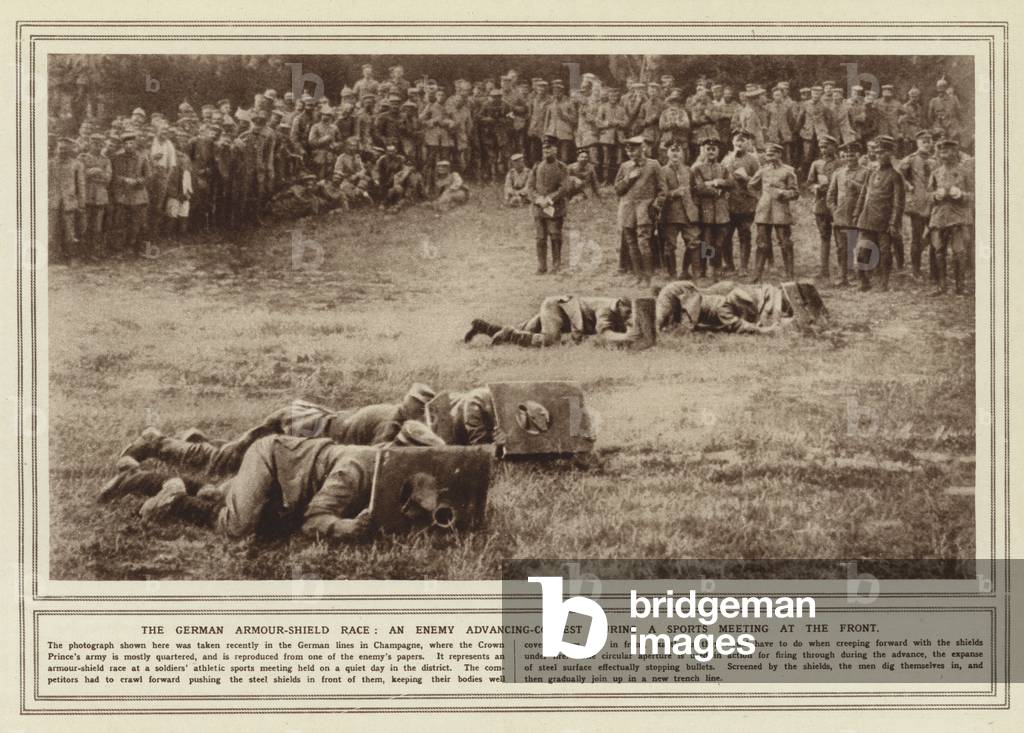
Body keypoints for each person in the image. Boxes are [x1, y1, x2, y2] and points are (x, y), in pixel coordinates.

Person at [103, 421, 445, 542]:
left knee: (220, 497)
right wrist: (344, 528)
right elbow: (314, 520)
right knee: (236, 526)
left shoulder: (388, 472)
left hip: (289, 476)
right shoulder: (355, 469)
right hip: (271, 459)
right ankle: (175, 501)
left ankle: (140, 479)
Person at [114, 383, 437, 479]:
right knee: (226, 465)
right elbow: (377, 461)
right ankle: (155, 442)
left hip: (306, 422)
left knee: (239, 451)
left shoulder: (393, 414)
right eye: (422, 414)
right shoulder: (392, 422)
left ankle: (198, 440)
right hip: (301, 429)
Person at [463, 295, 634, 348]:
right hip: (557, 307)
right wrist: (628, 337)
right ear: (620, 304)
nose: (628, 316)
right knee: (549, 339)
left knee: (527, 331)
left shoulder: (616, 309)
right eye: (627, 312)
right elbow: (605, 334)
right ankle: (511, 335)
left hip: (562, 308)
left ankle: (482, 327)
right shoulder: (606, 310)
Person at [851, 135, 906, 292]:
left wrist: (893, 222)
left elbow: (898, 203)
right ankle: (864, 282)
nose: (879, 155)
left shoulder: (895, 176)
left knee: (884, 252)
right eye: (877, 152)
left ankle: (884, 283)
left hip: (884, 220)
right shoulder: (872, 173)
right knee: (863, 250)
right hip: (867, 218)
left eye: (883, 152)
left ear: (890, 154)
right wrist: (857, 213)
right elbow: (863, 194)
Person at [614, 135, 668, 286]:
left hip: (645, 210)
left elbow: (663, 189)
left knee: (643, 242)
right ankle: (638, 276)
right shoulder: (625, 166)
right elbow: (617, 189)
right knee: (631, 243)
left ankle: (648, 277)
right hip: (628, 210)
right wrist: (628, 179)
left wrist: (656, 206)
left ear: (642, 148)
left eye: (634, 150)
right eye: (628, 151)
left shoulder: (653, 165)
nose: (630, 154)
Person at [927, 138, 973, 295]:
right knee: (939, 251)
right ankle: (941, 286)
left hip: (958, 217)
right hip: (939, 217)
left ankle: (960, 286)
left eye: (946, 151)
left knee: (959, 252)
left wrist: (961, 195)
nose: (943, 155)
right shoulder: (935, 173)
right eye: (941, 151)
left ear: (955, 152)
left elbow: (975, 195)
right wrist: (935, 196)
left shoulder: (965, 172)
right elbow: (927, 196)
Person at [749, 142, 800, 281]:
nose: (769, 157)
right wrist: (761, 198)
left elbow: (795, 192)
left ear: (779, 154)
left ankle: (790, 275)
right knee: (761, 243)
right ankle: (757, 275)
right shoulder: (763, 170)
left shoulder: (788, 171)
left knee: (785, 243)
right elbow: (751, 185)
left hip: (781, 211)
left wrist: (783, 193)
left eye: (772, 154)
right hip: (763, 212)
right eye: (767, 155)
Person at [654, 280, 782, 334]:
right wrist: (763, 330)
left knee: (666, 323)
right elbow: (739, 325)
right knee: (660, 323)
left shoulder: (724, 301)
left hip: (685, 297)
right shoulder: (724, 309)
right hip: (679, 296)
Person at [826, 142, 870, 287]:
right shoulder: (838, 173)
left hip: (857, 216)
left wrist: (855, 184)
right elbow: (830, 195)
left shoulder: (866, 172)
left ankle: (856, 277)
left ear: (858, 155)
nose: (849, 159)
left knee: (856, 247)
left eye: (852, 155)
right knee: (841, 248)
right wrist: (834, 211)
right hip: (840, 217)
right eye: (846, 156)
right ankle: (842, 276)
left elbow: (869, 193)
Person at [691, 137, 734, 279]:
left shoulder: (723, 168)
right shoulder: (697, 168)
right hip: (706, 211)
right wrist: (718, 191)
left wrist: (716, 182)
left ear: (718, 151)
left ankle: (716, 268)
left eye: (713, 149)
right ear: (703, 151)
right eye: (708, 149)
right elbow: (699, 187)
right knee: (706, 242)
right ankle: (704, 269)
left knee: (719, 242)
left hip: (721, 212)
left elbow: (731, 183)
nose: (711, 152)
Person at [526, 137, 570, 273]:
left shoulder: (562, 167)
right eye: (544, 148)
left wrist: (550, 199)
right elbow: (530, 187)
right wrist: (538, 199)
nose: (546, 151)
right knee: (540, 238)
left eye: (549, 148)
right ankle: (542, 266)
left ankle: (556, 264)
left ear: (556, 150)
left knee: (555, 235)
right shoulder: (537, 166)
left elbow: (564, 188)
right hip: (539, 208)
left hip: (555, 208)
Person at [721, 131, 760, 275]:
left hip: (746, 203)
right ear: (732, 142)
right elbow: (720, 177)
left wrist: (747, 178)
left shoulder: (753, 160)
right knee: (726, 236)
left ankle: (743, 266)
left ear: (748, 143)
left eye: (743, 140)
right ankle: (729, 265)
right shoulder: (726, 159)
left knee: (745, 235)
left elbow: (760, 181)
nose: (739, 143)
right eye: (737, 140)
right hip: (728, 204)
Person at [660, 142, 700, 279]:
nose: (675, 153)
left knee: (694, 242)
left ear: (682, 153)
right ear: (667, 153)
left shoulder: (689, 171)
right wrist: (673, 193)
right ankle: (672, 273)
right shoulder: (662, 171)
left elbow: (695, 190)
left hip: (689, 214)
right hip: (670, 214)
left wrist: (695, 206)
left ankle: (688, 271)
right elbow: (659, 192)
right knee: (670, 245)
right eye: (672, 150)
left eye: (678, 151)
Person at [806, 135, 841, 280]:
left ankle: (844, 270)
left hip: (838, 204)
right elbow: (809, 183)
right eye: (821, 147)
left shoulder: (841, 163)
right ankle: (824, 270)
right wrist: (816, 188)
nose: (823, 150)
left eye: (826, 146)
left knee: (841, 239)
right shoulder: (816, 164)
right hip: (821, 204)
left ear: (834, 147)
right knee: (824, 237)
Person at [110, 131, 151, 255]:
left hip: (138, 195)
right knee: (120, 222)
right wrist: (124, 180)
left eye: (131, 143)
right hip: (122, 195)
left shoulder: (142, 157)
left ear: (136, 144)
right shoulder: (117, 158)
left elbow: (148, 175)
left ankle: (132, 246)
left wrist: (138, 181)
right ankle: (118, 248)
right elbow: (113, 175)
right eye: (126, 143)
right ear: (123, 145)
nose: (129, 146)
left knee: (136, 223)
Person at [48, 137, 85, 261]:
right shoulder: (50, 164)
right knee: (52, 230)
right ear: (56, 149)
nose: (62, 151)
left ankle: (72, 257)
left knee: (70, 231)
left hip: (69, 201)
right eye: (60, 148)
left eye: (65, 149)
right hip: (53, 201)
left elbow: (81, 185)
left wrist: (81, 203)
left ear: (70, 150)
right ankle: (54, 256)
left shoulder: (77, 164)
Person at [78, 133, 111, 256]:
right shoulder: (82, 158)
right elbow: (79, 175)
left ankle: (95, 251)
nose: (97, 147)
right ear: (90, 144)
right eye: (95, 144)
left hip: (100, 196)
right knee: (84, 225)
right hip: (86, 194)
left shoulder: (106, 160)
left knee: (98, 226)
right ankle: (83, 252)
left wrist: (97, 172)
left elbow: (108, 178)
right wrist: (89, 172)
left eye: (100, 144)